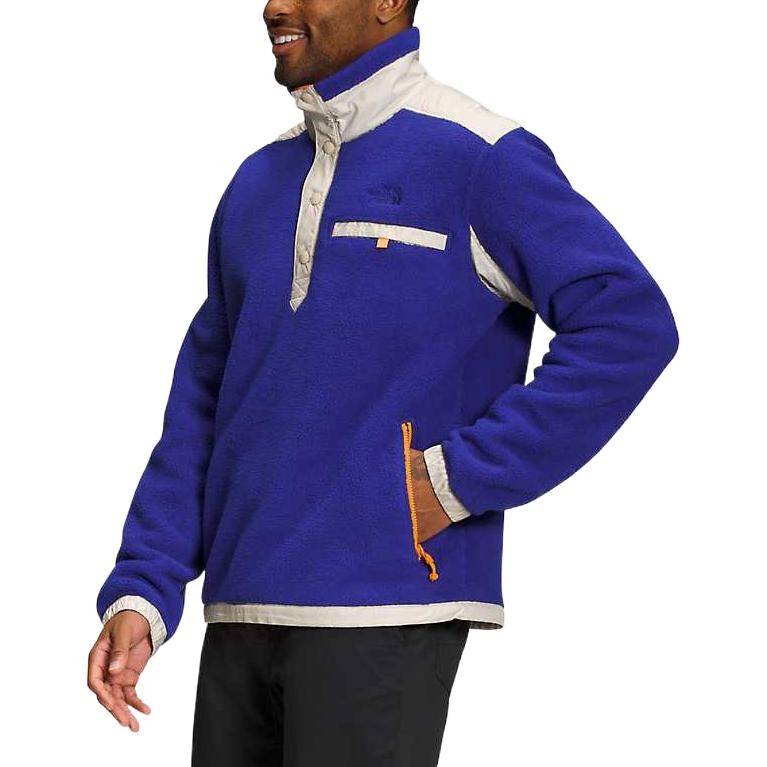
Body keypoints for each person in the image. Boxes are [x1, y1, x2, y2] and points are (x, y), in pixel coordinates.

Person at [87, 1, 679, 764]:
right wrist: (145, 585)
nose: (275, 6)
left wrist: (451, 480)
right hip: (237, 611)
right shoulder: (256, 182)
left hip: (383, 605)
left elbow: (628, 323)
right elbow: (205, 402)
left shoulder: (479, 157)